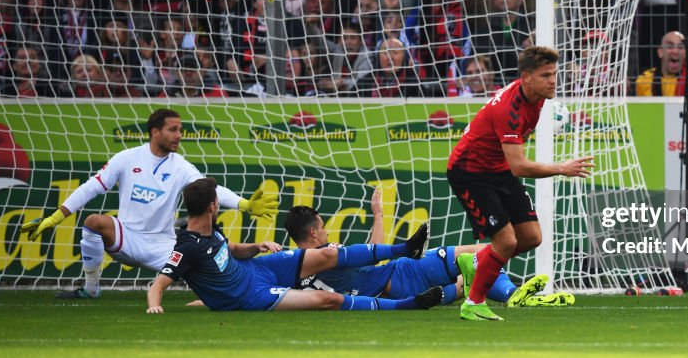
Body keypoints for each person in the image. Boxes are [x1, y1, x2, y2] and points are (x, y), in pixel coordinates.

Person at [19, 108, 280, 299]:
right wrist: (55, 217)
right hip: (127, 236)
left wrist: (245, 205)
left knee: (210, 261)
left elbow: (210, 189)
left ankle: (240, 292)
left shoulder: (180, 166)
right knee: (92, 222)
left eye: (180, 129)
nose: (179, 135)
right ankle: (90, 288)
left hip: (162, 245)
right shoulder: (127, 157)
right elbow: (91, 187)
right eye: (173, 129)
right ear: (155, 132)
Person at [447, 46, 594, 320]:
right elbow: (520, 166)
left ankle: (475, 262)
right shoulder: (509, 110)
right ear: (527, 77)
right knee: (505, 241)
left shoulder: (537, 97)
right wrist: (562, 167)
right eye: (546, 75)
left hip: (497, 169)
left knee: (531, 238)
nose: (553, 80)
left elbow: (511, 164)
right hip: (471, 173)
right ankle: (473, 304)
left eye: (554, 73)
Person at [147, 178, 441, 313]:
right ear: (213, 205)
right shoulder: (187, 245)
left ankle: (406, 249)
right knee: (326, 301)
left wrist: (257, 245)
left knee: (328, 253)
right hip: (250, 294)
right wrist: (154, 307)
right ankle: (407, 305)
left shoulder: (214, 232)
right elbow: (158, 284)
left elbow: (232, 250)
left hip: (257, 267)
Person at [285, 188, 568, 308]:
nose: (326, 230)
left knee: (471, 268)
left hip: (401, 281)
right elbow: (373, 256)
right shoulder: (328, 253)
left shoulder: (295, 272)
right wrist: (380, 215)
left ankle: (516, 296)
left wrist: (380, 215)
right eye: (322, 227)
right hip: (402, 281)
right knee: (477, 263)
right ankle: (514, 295)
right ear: (312, 232)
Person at [635, 31, 688, 97]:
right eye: (670, 46)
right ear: (660, 52)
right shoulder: (643, 82)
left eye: (680, 47)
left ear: (685, 53)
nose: (676, 51)